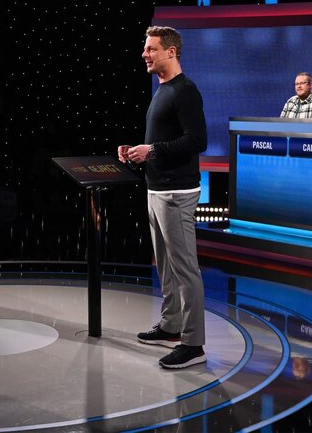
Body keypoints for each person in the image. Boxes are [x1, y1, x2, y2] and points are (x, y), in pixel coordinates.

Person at [117, 26, 208, 369]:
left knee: (186, 270)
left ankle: (193, 343)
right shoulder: (163, 89)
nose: (145, 54)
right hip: (157, 189)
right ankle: (171, 327)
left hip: (177, 192)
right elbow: (162, 141)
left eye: (151, 49)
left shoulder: (186, 91)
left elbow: (197, 141)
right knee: (166, 266)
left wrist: (151, 150)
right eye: (145, 49)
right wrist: (136, 152)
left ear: (171, 52)